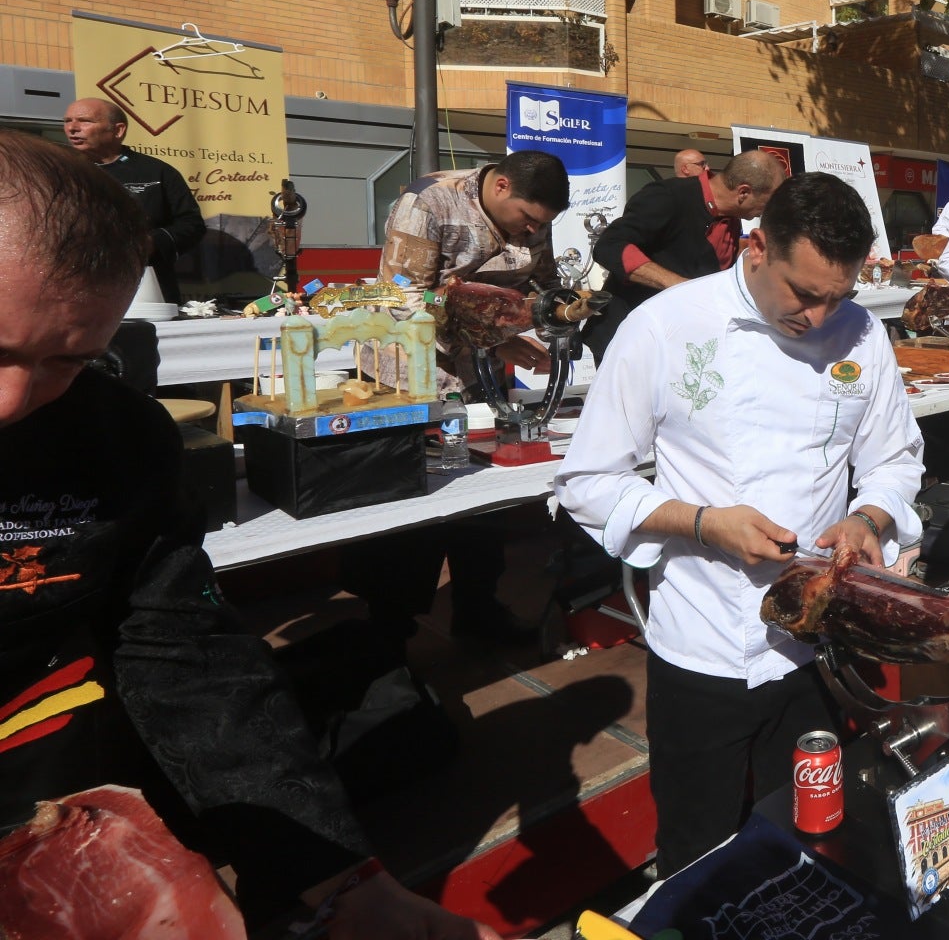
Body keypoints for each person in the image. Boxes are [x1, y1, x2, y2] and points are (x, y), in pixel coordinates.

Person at [0, 133, 496, 938]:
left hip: (48, 802)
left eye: (66, 359)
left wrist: (340, 880)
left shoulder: (119, 438)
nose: (14, 401)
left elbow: (181, 658)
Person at [556, 174, 924, 875]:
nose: (819, 317)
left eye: (836, 297)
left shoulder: (861, 332)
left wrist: (867, 516)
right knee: (701, 853)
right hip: (705, 646)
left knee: (812, 839)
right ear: (756, 248)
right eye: (804, 293)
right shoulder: (667, 325)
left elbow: (895, 456)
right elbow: (587, 484)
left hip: (815, 645)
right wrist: (702, 524)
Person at [345, 150, 572, 650]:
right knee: (414, 506)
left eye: (542, 227)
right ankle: (389, 633)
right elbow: (401, 299)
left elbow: (541, 281)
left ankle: (477, 609)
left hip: (477, 376)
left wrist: (560, 310)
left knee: (482, 501)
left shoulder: (535, 220)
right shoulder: (429, 201)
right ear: (502, 187)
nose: (532, 234)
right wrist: (494, 333)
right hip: (410, 374)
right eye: (529, 221)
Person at [585, 150, 788, 360]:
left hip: (679, 341)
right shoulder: (668, 195)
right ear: (743, 193)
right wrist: (681, 286)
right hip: (628, 338)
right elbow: (609, 246)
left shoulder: (733, 218)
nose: (766, 211)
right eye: (767, 202)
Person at [62, 97, 206, 303]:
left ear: (118, 130)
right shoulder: (58, 173)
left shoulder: (157, 172)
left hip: (144, 286)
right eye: (67, 121)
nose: (72, 128)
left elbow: (191, 225)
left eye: (85, 121)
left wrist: (148, 243)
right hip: (75, 287)